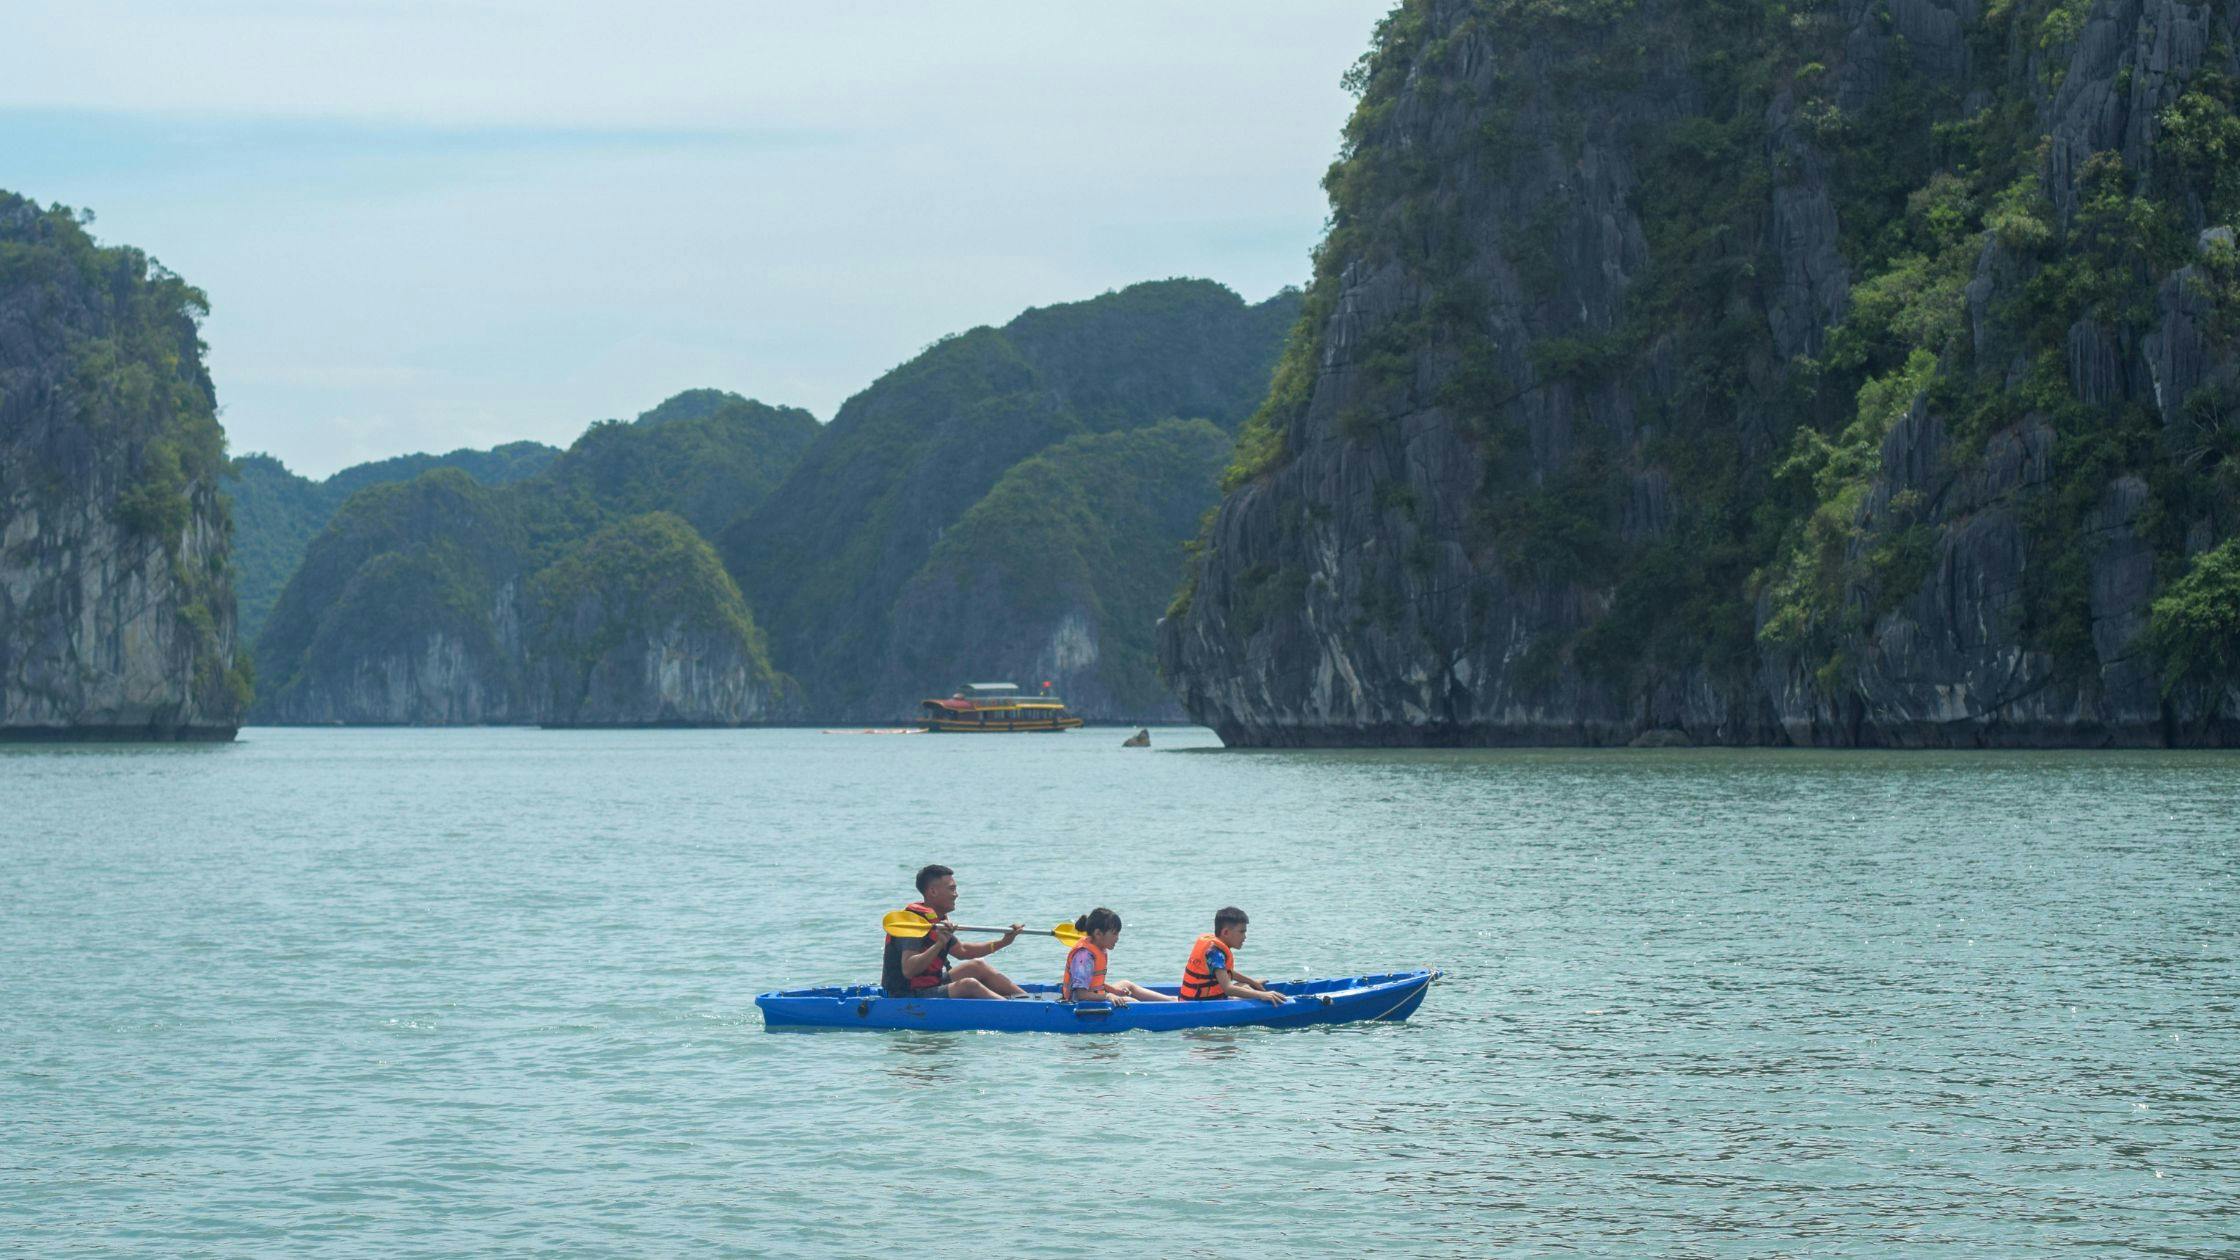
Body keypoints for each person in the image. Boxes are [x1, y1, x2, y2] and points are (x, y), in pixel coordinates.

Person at [882, 864, 1026, 999]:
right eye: (951, 889)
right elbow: (909, 970)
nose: (956, 894)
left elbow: (962, 951)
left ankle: (1027, 1000)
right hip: (905, 994)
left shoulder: (935, 919)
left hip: (930, 984)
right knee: (968, 985)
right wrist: (938, 944)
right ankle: (1022, 1012)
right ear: (933, 891)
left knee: (977, 966)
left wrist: (1003, 942)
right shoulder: (912, 925)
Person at [1061, 908, 1173, 1005]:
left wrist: (1115, 991)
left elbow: (1095, 983)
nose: (1117, 938)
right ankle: (1153, 1012)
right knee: (1131, 1001)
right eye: (1114, 933)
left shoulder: (1098, 948)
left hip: (1094, 996)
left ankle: (1172, 1000)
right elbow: (1081, 994)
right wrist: (1108, 996)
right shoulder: (1084, 957)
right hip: (1081, 1004)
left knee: (1126, 984)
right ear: (1098, 934)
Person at [1179, 906, 1285, 1004]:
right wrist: (1262, 995)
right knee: (1246, 989)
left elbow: (1226, 972)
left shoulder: (1213, 949)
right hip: (1201, 1005)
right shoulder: (1215, 953)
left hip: (1194, 1000)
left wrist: (1253, 982)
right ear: (1225, 932)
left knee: (1245, 986)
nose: (1244, 937)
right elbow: (1228, 988)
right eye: (1241, 932)